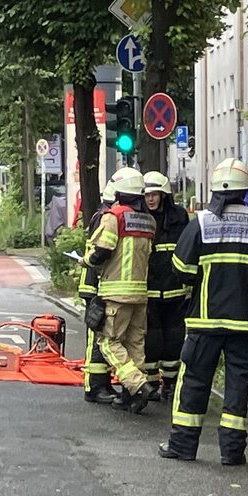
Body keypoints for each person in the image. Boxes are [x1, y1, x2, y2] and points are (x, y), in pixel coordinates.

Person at [158, 158, 248, 465]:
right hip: (246, 324)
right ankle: (232, 452)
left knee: (195, 383)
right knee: (237, 388)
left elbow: (181, 269)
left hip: (204, 321)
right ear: (246, 190)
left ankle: (183, 446)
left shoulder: (200, 223)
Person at [81, 167, 159, 414]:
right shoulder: (149, 221)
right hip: (140, 294)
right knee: (135, 344)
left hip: (115, 293)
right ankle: (131, 397)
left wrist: (86, 261)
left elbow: (102, 251)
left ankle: (138, 385)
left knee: (108, 343)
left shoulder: (113, 217)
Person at [141, 170, 190, 402]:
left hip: (175, 290)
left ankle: (169, 383)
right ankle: (150, 381)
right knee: (152, 338)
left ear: (164, 196)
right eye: (147, 195)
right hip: (149, 289)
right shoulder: (140, 217)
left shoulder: (179, 218)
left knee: (174, 338)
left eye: (155, 194)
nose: (150, 199)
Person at [80, 180, 118, 404]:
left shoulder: (104, 216)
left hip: (98, 284)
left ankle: (101, 383)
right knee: (95, 339)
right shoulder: (105, 219)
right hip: (95, 286)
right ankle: (93, 387)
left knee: (101, 337)